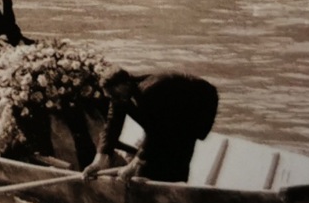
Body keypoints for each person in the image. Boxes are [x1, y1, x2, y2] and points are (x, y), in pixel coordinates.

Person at [83, 68, 219, 184]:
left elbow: (157, 130)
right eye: (111, 97)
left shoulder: (150, 91)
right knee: (149, 161)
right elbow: (112, 127)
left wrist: (135, 163)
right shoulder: (119, 97)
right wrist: (99, 160)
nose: (115, 99)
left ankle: (176, 187)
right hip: (169, 114)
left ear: (126, 83)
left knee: (178, 145)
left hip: (198, 105)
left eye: (116, 95)